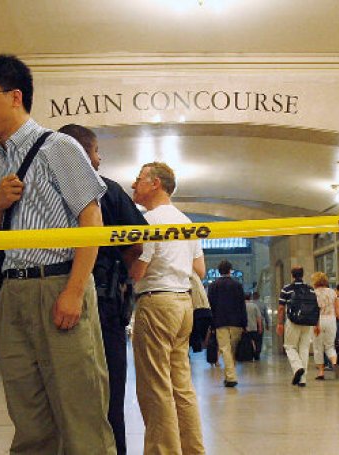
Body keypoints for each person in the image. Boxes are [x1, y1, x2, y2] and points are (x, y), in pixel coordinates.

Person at [0, 54, 116, 455]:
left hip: (58, 284)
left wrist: (74, 290)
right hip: (11, 296)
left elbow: (91, 219)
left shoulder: (59, 148)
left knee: (81, 413)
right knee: (28, 419)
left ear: (15, 96)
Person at [58, 123, 146, 455]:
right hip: (104, 299)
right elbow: (137, 241)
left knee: (65, 394)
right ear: (83, 153)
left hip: (57, 296)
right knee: (109, 390)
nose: (99, 158)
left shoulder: (45, 192)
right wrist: (122, 272)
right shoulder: (107, 190)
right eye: (96, 151)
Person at [129, 162, 206, 454]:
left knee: (156, 387)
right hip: (183, 303)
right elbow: (199, 268)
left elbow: (138, 272)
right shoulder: (186, 221)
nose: (134, 186)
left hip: (156, 302)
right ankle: (192, 449)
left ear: (155, 184)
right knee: (181, 386)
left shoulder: (149, 221)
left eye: (138, 180)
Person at [208, 260, 248, 387]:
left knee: (225, 349)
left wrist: (212, 324)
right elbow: (242, 305)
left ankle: (230, 376)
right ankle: (231, 376)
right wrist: (244, 323)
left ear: (219, 271)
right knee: (232, 349)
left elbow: (211, 306)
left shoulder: (213, 286)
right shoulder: (237, 285)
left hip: (220, 322)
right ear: (230, 270)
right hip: (236, 322)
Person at [276, 265, 314, 387]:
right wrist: (316, 323)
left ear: (292, 275)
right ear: (302, 275)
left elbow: (281, 308)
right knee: (304, 348)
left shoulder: (287, 289)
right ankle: (303, 380)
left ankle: (297, 368)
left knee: (289, 346)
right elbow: (316, 308)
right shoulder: (310, 289)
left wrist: (280, 323)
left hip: (293, 322)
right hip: (308, 322)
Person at [310, 272, 339, 380]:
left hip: (319, 320)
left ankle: (321, 372)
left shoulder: (313, 293)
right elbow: (338, 309)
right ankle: (334, 363)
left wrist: (316, 324)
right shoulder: (333, 292)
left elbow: (314, 310)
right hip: (331, 320)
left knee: (318, 347)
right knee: (329, 346)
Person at [245, 293, 264, 360]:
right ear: (250, 297)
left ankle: (249, 356)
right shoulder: (254, 306)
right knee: (257, 341)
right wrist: (260, 327)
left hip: (245, 328)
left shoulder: (241, 306)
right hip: (254, 327)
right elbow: (258, 317)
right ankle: (257, 355)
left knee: (247, 342)